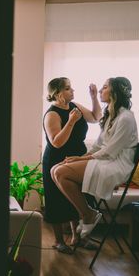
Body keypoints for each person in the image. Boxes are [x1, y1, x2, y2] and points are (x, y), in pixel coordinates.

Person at [51, 77, 138, 240]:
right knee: (55, 169)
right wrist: (80, 157)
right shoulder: (112, 115)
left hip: (116, 164)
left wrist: (79, 160)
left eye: (104, 87)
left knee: (60, 173)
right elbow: (99, 145)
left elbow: (110, 152)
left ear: (115, 93)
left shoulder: (126, 118)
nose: (100, 90)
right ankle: (88, 213)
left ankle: (88, 214)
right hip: (105, 159)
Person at [42, 78, 102, 254]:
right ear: (58, 93)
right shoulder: (51, 114)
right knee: (56, 199)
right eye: (68, 88)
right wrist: (70, 121)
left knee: (78, 195)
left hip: (77, 157)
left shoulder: (74, 106)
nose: (72, 90)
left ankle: (79, 237)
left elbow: (96, 117)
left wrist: (93, 98)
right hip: (56, 159)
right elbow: (57, 142)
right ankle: (59, 241)